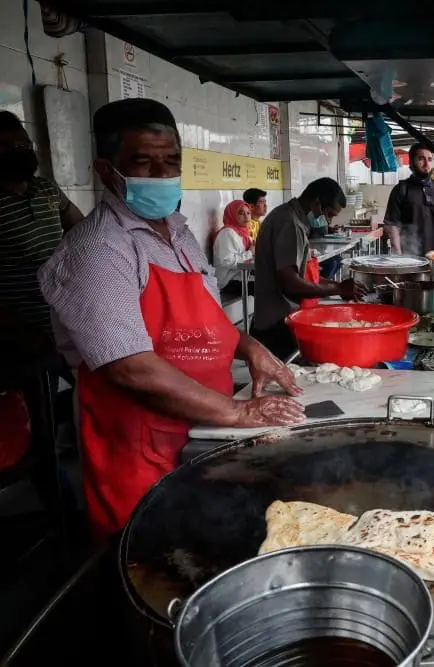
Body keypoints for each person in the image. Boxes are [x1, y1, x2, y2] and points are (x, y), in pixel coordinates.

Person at [37, 99, 305, 541]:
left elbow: (205, 316)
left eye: (172, 161)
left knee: (214, 543)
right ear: (105, 170)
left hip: (204, 430)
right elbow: (129, 367)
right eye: (143, 162)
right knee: (153, 556)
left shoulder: (177, 231)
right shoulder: (98, 250)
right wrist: (237, 412)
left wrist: (248, 346)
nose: (163, 174)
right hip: (142, 449)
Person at [0, 111, 84, 345]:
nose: (21, 150)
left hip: (63, 312)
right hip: (19, 329)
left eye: (25, 144)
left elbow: (81, 230)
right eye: (8, 146)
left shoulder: (46, 189)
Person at [251, 177, 357, 359]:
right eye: (329, 214)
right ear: (317, 203)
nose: (328, 222)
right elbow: (291, 284)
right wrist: (338, 289)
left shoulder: (291, 218)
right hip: (276, 324)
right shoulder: (289, 223)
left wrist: (337, 286)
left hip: (280, 319)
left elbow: (305, 276)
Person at [385, 144, 434, 256]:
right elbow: (392, 224)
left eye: (429, 159)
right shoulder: (401, 189)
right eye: (421, 159)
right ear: (411, 162)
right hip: (410, 257)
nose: (426, 164)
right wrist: (398, 254)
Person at [212, 200, 255, 299]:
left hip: (242, 276)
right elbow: (226, 261)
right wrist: (250, 253)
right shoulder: (227, 233)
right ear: (232, 215)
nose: (246, 217)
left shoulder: (245, 234)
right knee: (265, 287)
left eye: (248, 213)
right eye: (241, 213)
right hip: (227, 280)